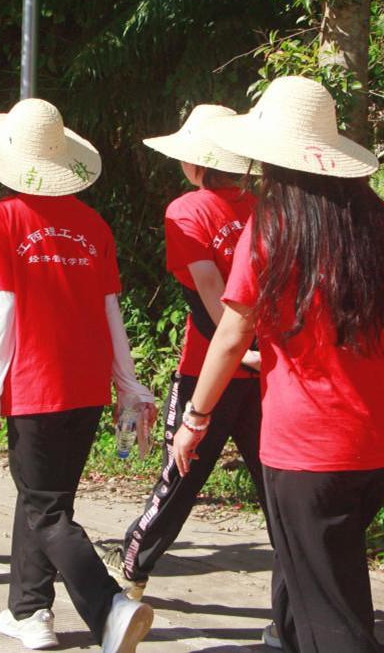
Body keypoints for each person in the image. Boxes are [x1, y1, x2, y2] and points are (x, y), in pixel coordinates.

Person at [172, 76, 384, 653]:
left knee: (333, 620)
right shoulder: (383, 221)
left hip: (308, 450)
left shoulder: (274, 224)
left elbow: (231, 335)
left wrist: (196, 419)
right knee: (334, 584)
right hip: (381, 442)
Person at [0, 97, 158, 653]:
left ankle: (110, 608)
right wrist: (126, 383)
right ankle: (30, 612)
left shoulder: (3, 220)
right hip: (84, 387)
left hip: (33, 386)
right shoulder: (92, 224)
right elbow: (110, 311)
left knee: (46, 510)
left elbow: (1, 314)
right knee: (47, 501)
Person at [104, 104, 268, 599]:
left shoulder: (187, 210)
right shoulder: (266, 207)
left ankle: (133, 566)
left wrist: (238, 351)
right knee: (276, 482)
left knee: (182, 469)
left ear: (197, 164)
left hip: (209, 365)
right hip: (267, 364)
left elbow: (211, 288)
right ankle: (302, 584)